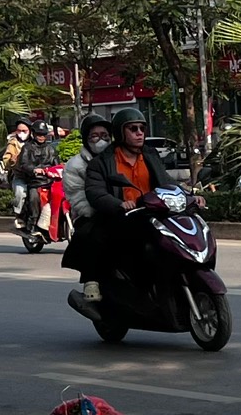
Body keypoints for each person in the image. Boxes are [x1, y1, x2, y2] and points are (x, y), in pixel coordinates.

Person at [68, 106, 176, 303]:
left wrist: (190, 195)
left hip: (152, 213)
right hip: (120, 216)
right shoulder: (101, 162)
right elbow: (94, 193)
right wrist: (118, 204)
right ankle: (93, 280)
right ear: (120, 132)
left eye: (142, 128)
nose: (139, 133)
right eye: (133, 129)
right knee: (93, 233)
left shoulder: (150, 155)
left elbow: (167, 181)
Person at [60, 112, 113, 229]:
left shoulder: (117, 159)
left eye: (104, 135)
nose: (101, 140)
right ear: (86, 139)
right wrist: (101, 213)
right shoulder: (74, 165)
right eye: (95, 136)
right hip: (90, 218)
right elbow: (77, 197)